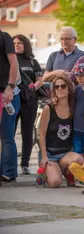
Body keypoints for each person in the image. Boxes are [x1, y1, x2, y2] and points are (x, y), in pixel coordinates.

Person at [38, 75, 83, 188]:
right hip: (49, 154)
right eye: (56, 87)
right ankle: (48, 171)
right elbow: (41, 135)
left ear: (69, 89)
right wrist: (44, 157)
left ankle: (65, 171)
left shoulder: (74, 107)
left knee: (79, 159)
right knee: (55, 182)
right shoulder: (49, 108)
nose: (59, 89)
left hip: (65, 153)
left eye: (63, 86)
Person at [13, 34, 43, 175]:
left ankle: (25, 164)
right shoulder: (9, 60)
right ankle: (9, 164)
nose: (16, 45)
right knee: (9, 133)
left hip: (29, 101)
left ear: (25, 45)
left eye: (19, 43)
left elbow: (40, 80)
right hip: (13, 99)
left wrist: (34, 87)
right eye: (14, 43)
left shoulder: (32, 62)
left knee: (27, 133)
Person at [0, 30, 19, 184]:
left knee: (6, 136)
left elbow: (14, 63)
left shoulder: (4, 37)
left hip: (6, 94)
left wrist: (10, 87)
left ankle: (9, 172)